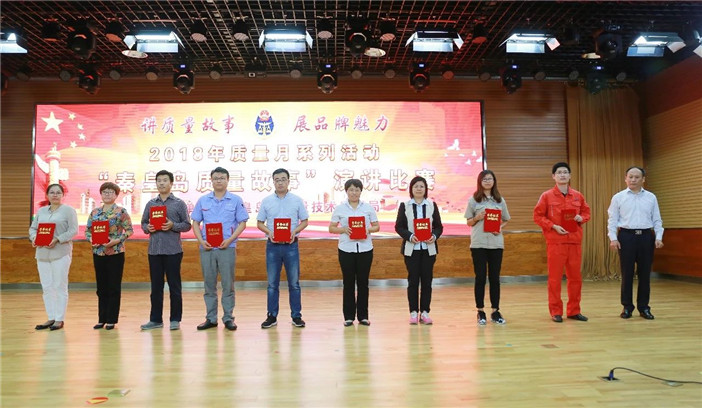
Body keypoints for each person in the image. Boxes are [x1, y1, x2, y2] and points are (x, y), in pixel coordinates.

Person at [191, 167, 249, 331]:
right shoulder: (203, 200)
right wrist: (201, 241)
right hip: (207, 248)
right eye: (216, 178)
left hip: (227, 248)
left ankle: (228, 318)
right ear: (211, 180)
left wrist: (230, 239)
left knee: (228, 284)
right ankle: (211, 318)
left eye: (222, 178)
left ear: (227, 180)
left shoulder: (235, 200)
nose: (219, 181)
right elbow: (195, 223)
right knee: (209, 285)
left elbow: (242, 223)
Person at [533, 162, 591, 323]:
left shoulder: (578, 196)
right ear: (554, 176)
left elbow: (586, 213)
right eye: (559, 172)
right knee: (555, 279)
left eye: (565, 172)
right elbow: (537, 216)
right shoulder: (547, 196)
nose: (563, 175)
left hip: (574, 242)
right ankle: (555, 311)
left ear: (570, 175)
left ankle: (574, 310)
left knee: (575, 278)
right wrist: (553, 226)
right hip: (556, 242)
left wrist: (581, 218)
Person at [607, 166, 664, 320]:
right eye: (630, 177)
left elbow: (657, 219)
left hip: (646, 237)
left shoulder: (651, 197)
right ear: (625, 178)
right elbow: (612, 220)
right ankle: (627, 307)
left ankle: (644, 307)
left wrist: (658, 237)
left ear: (643, 179)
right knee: (627, 273)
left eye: (637, 177)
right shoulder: (618, 197)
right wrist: (613, 238)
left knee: (645, 274)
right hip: (626, 236)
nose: (633, 180)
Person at [256, 168, 309, 329]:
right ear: (273, 182)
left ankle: (296, 316)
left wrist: (295, 231)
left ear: (288, 181)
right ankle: (271, 316)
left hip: (291, 246)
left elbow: (305, 221)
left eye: (283, 179)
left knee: (294, 283)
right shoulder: (266, 201)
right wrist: (269, 233)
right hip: (272, 246)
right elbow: (260, 223)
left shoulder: (297, 200)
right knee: (272, 284)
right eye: (277, 180)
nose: (280, 182)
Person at [140, 170, 192, 331]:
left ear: (171, 183)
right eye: (159, 181)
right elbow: (143, 223)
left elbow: (187, 225)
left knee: (174, 286)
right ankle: (155, 319)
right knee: (156, 287)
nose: (161, 183)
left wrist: (172, 225)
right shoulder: (151, 204)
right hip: (154, 251)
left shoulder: (179, 203)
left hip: (173, 250)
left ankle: (175, 319)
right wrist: (147, 228)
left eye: (164, 180)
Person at [329, 179, 380, 327]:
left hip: (365, 249)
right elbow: (331, 228)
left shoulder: (368, 208)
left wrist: (367, 229)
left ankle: (363, 316)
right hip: (346, 249)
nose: (354, 193)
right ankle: (349, 317)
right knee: (348, 283)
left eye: (357, 190)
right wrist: (343, 229)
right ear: (346, 191)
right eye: (351, 190)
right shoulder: (340, 208)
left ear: (361, 191)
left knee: (363, 283)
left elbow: (376, 226)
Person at [29, 183, 78, 331]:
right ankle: (50, 317)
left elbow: (73, 230)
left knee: (59, 286)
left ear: (63, 195)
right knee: (47, 287)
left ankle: (59, 319)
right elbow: (33, 228)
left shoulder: (69, 210)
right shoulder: (41, 211)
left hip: (60, 252)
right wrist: (34, 238)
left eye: (58, 192)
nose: (55, 195)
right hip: (42, 253)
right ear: (47, 195)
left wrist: (57, 239)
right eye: (52, 192)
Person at [395, 176, 443, 325]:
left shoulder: (431, 205)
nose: (419, 189)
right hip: (412, 250)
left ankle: (425, 312)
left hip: (428, 249)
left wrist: (434, 236)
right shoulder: (405, 205)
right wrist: (410, 236)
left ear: (426, 189)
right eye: (416, 186)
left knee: (427, 282)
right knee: (413, 281)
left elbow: (439, 227)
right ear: (411, 189)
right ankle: (414, 312)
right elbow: (399, 227)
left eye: (421, 186)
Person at [85, 182, 133, 330]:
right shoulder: (95, 212)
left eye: (111, 192)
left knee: (113, 286)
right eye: (104, 192)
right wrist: (91, 239)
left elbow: (129, 230)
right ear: (100, 194)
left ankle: (111, 319)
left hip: (116, 252)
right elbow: (88, 231)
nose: (107, 194)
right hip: (98, 252)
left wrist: (117, 240)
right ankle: (102, 319)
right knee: (101, 287)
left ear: (116, 195)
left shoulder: (121, 211)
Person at [464, 170, 510, 326]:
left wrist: (500, 227)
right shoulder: (473, 200)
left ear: (494, 181)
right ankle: (480, 311)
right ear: (480, 181)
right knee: (480, 277)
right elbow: (468, 222)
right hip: (479, 243)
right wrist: (477, 217)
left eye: (490, 179)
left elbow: (506, 219)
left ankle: (495, 311)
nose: (488, 181)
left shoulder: (500, 200)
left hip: (496, 243)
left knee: (495, 278)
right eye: (484, 179)